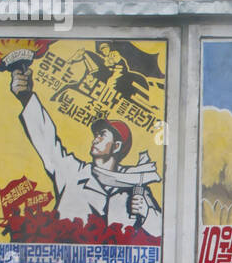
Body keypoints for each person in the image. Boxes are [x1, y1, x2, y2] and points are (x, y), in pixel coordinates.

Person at [9, 65, 162, 236]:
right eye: (96, 134)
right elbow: (47, 141)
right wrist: (26, 97)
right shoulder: (72, 172)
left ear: (117, 146)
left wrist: (146, 212)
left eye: (102, 135)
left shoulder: (136, 184)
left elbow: (163, 231)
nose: (95, 138)